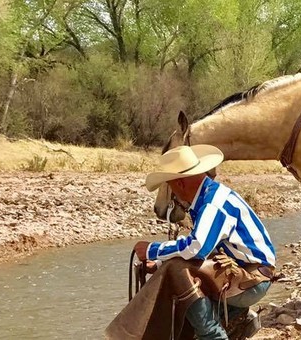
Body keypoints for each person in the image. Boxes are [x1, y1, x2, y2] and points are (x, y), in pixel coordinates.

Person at [106, 145, 276, 340]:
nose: (173, 193)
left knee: (178, 272)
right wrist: (160, 263)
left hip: (252, 280)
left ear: (180, 184)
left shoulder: (212, 205)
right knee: (175, 269)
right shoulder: (210, 195)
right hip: (247, 272)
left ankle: (213, 334)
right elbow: (205, 246)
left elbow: (197, 248)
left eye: (170, 186)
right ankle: (236, 319)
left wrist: (153, 250)